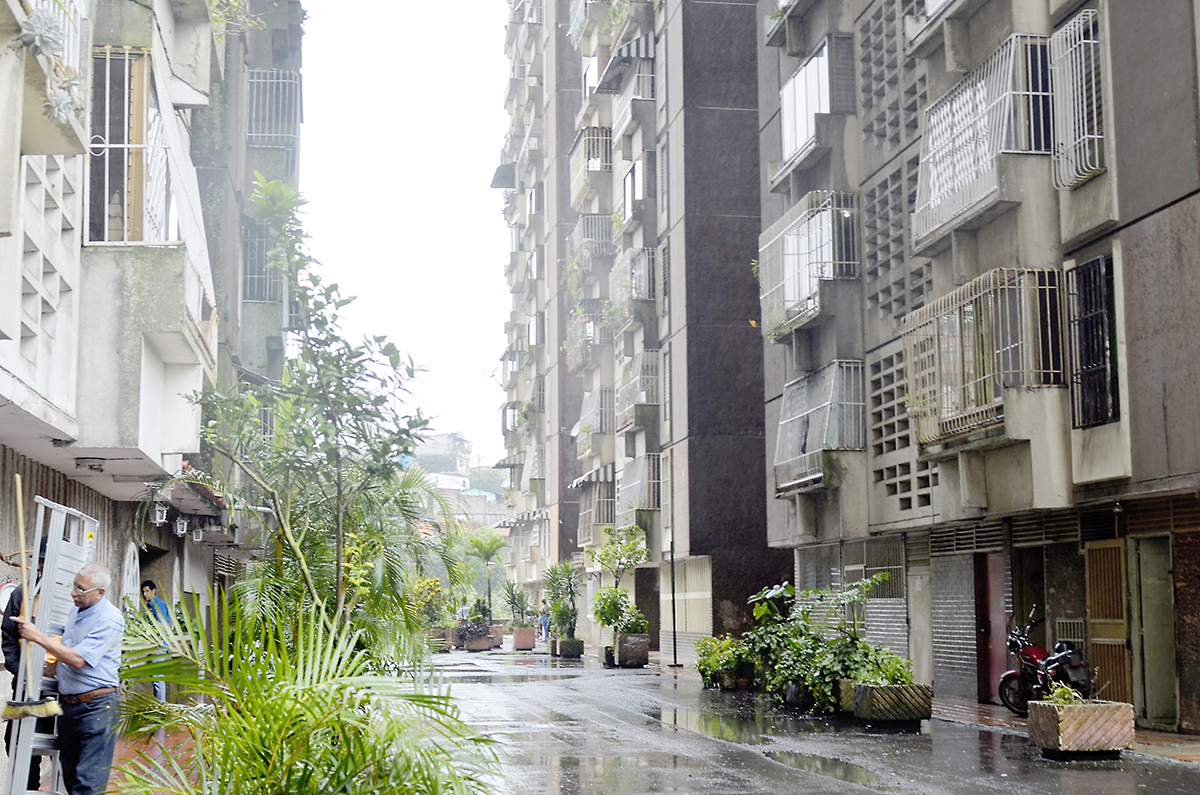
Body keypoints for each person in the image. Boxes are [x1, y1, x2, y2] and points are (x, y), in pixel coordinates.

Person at [15, 562, 124, 795]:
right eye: (73, 586)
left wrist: (38, 637)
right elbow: (67, 654)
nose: (73, 592)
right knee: (71, 778)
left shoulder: (110, 618)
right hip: (69, 707)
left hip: (97, 708)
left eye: (80, 589)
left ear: (100, 593)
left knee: (88, 785)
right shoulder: (76, 611)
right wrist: (40, 673)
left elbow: (78, 659)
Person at [1, 539, 49, 790]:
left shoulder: (74, 597)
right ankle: (28, 788)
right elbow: (8, 636)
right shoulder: (24, 593)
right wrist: (19, 671)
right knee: (17, 742)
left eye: (46, 559)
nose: (41, 564)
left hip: (59, 691)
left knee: (54, 744)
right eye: (39, 560)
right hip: (25, 688)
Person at [140, 579, 171, 701]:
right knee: (156, 678)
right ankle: (159, 706)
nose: (144, 594)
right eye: (143, 592)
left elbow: (163, 626)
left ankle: (160, 709)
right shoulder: (150, 606)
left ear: (154, 591)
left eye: (147, 591)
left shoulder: (158, 604)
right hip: (156, 644)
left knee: (158, 678)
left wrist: (156, 645)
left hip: (159, 645)